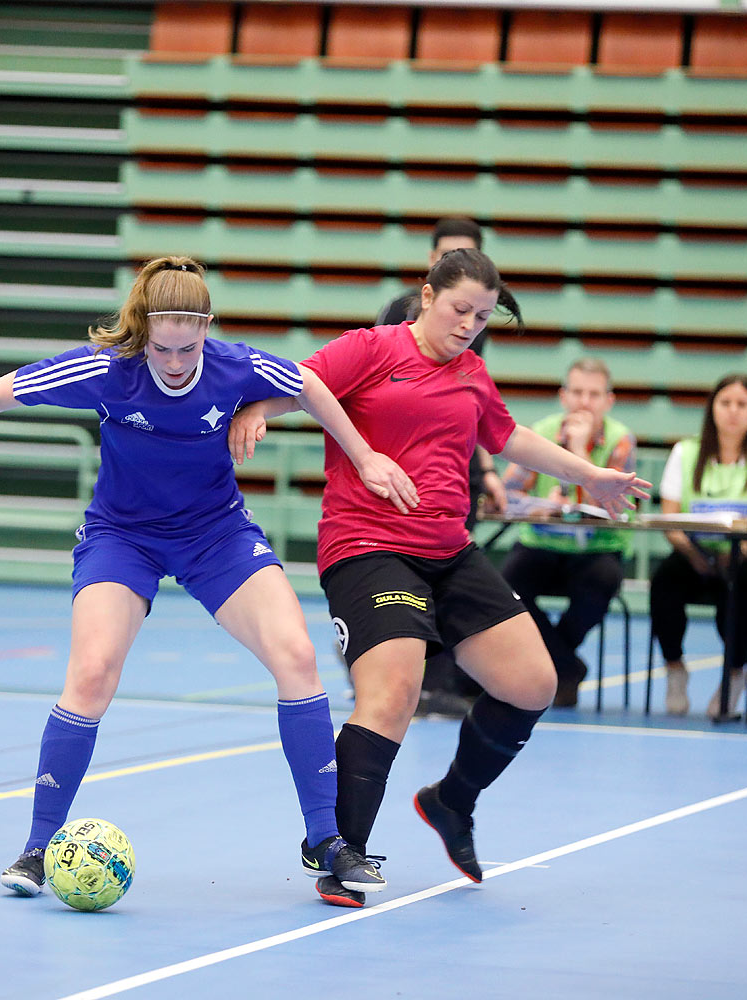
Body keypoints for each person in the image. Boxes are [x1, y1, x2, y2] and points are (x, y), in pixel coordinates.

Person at [0, 256, 419, 902]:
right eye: (164, 348)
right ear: (141, 332)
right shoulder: (109, 370)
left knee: (297, 656)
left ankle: (326, 839)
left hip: (217, 534)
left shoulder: (235, 365)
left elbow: (311, 385)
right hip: (121, 539)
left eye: (190, 346)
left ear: (207, 329)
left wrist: (359, 452)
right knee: (92, 674)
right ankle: (39, 846)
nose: (178, 361)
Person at [231, 248, 650, 907]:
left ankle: (453, 800)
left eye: (482, 316)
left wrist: (589, 475)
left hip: (449, 551)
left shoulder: (473, 373)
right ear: (427, 297)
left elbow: (508, 437)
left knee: (533, 682)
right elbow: (302, 383)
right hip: (369, 546)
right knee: (395, 690)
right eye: (460, 310)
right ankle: (343, 853)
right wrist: (258, 408)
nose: (468, 325)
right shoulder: (372, 349)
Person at [376, 216, 506, 717]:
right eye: (448, 254)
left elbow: (478, 408)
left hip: (459, 466)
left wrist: (488, 470)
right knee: (402, 585)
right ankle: (395, 677)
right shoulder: (392, 322)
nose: (468, 325)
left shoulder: (473, 328)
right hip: (401, 468)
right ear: (432, 267)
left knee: (451, 579)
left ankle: (447, 683)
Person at [651, 374, 747, 719]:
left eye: (742, 404)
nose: (733, 411)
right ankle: (675, 668)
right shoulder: (686, 452)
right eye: (725, 403)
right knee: (664, 582)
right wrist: (698, 556)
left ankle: (735, 674)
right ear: (712, 408)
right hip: (697, 555)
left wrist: (735, 553)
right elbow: (669, 520)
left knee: (739, 586)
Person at [499, 357, 638, 707]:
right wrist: (538, 505)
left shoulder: (621, 441)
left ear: (609, 401)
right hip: (542, 542)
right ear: (563, 396)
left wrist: (578, 452)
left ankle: (554, 665)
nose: (584, 402)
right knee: (503, 587)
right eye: (577, 392)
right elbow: (507, 493)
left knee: (601, 584)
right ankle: (567, 667)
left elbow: (612, 503)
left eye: (594, 394)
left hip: (597, 548)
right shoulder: (541, 433)